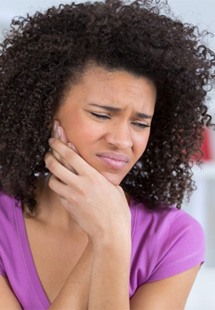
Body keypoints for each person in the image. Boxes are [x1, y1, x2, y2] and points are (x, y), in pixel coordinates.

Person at [0, 0, 214, 308]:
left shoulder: (174, 237)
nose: (122, 141)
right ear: (47, 112)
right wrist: (107, 234)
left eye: (140, 123)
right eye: (101, 115)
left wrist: (111, 239)